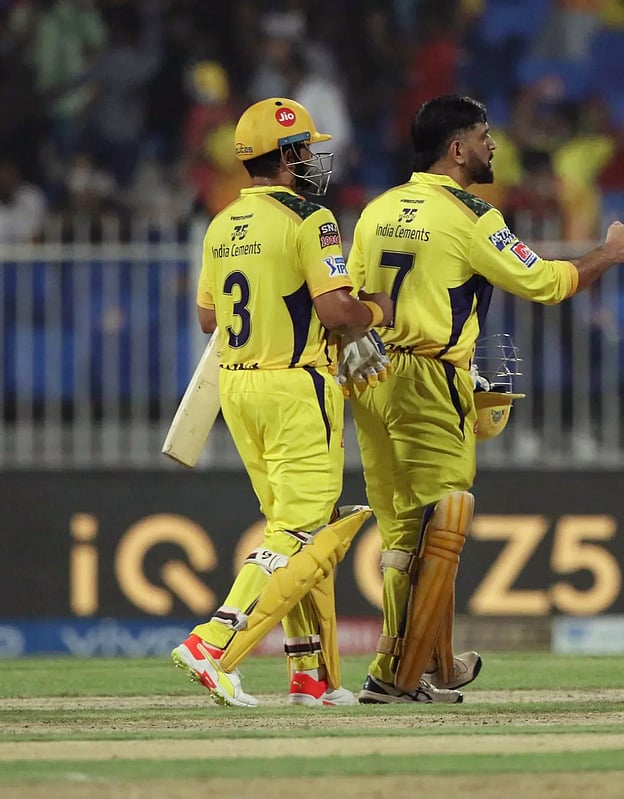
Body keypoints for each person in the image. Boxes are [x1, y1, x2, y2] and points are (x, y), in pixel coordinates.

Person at [347, 94, 624, 704]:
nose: (494, 146)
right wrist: (611, 253)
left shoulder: (378, 210)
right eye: (484, 136)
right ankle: (396, 675)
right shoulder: (473, 215)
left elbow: (351, 299)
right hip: (429, 378)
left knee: (403, 535)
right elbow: (546, 283)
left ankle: (430, 664)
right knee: (446, 517)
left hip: (370, 374)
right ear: (457, 149)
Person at [171, 97, 393, 707]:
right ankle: (213, 643)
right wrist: (376, 311)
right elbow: (336, 311)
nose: (313, 160)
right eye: (305, 150)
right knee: (299, 531)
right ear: (287, 155)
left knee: (296, 531)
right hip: (297, 388)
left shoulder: (222, 222)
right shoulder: (310, 218)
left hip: (240, 387)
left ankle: (310, 674)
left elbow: (208, 317)